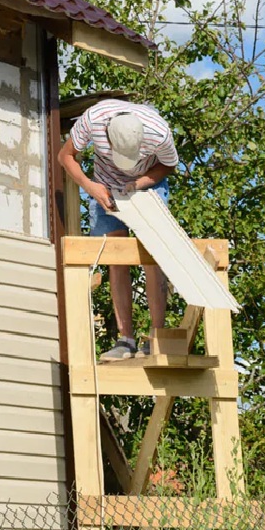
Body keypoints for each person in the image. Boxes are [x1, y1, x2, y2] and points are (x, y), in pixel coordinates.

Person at [58, 99, 179, 361]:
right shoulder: (93, 120)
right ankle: (126, 340)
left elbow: (168, 165)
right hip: (105, 187)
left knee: (152, 253)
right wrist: (90, 187)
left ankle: (156, 337)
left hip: (147, 185)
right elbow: (65, 156)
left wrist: (140, 183)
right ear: (108, 140)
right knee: (116, 255)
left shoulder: (159, 132)